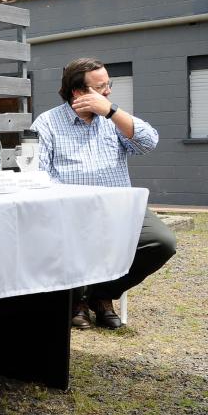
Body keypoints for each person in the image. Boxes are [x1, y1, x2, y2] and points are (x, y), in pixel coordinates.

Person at [31, 57, 176, 330]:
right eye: (101, 87)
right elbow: (39, 173)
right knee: (62, 238)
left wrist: (112, 111)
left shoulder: (113, 119)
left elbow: (149, 142)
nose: (108, 91)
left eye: (109, 84)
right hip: (72, 209)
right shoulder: (47, 123)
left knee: (161, 241)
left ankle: (102, 294)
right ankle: (77, 301)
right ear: (78, 92)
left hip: (119, 206)